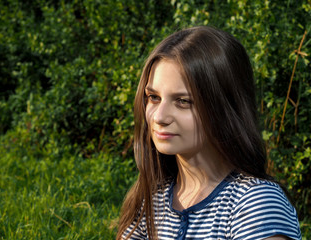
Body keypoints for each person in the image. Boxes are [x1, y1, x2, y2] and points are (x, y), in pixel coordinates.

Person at [116, 26, 301, 240]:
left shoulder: (256, 203)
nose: (159, 117)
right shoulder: (149, 201)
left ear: (224, 107)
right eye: (153, 97)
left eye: (183, 101)